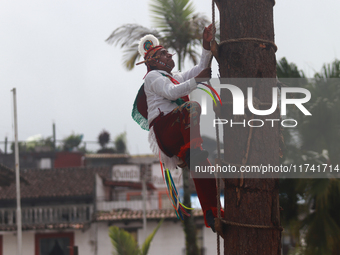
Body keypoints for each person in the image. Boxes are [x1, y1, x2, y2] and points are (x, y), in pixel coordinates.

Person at [132, 24, 223, 231]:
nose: (169, 55)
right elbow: (173, 93)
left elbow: (201, 67)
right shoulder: (153, 78)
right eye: (164, 54)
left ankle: (212, 212)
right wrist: (197, 82)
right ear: (154, 61)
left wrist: (206, 45)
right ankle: (191, 149)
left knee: (204, 167)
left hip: (175, 128)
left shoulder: (175, 76)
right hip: (165, 130)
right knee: (191, 108)